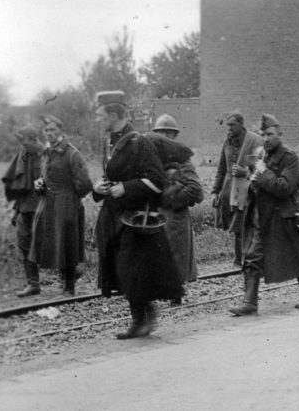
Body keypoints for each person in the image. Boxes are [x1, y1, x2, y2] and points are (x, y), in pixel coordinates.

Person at [93, 100, 183, 339]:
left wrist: (126, 188)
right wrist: (99, 188)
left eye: (100, 114)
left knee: (130, 271)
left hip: (134, 221)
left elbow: (157, 181)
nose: (97, 118)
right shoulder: (110, 142)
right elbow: (112, 176)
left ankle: (142, 319)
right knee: (122, 271)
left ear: (114, 114)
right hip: (114, 217)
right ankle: (141, 318)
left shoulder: (139, 143)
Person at [228, 114, 299, 316]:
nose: (266, 138)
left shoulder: (290, 158)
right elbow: (257, 185)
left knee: (297, 254)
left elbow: (285, 188)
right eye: (263, 134)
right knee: (252, 258)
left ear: (280, 134)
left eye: (270, 134)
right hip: (265, 218)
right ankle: (250, 303)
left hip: (286, 216)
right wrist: (254, 181)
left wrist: (262, 173)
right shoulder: (263, 156)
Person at [28, 115, 93, 297]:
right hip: (47, 203)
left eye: (53, 130)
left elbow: (85, 184)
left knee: (67, 242)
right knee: (44, 240)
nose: (49, 133)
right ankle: (51, 282)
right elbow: (48, 176)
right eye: (46, 130)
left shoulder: (72, 154)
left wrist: (70, 198)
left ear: (61, 131)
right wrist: (40, 184)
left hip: (66, 205)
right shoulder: (47, 153)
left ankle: (69, 286)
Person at [149, 114, 204, 303]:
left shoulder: (182, 160)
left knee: (174, 259)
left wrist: (169, 198)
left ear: (174, 136)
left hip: (175, 218)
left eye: (168, 133)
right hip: (156, 216)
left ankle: (175, 296)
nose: (164, 137)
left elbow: (196, 190)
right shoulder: (151, 157)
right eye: (160, 133)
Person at [211, 111, 264, 269]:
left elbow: (262, 168)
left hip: (250, 189)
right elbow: (221, 168)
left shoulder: (253, 141)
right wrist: (215, 191)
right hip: (230, 189)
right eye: (228, 125)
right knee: (235, 224)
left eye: (232, 125)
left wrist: (245, 172)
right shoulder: (227, 143)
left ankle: (245, 258)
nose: (229, 129)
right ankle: (239, 257)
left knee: (246, 222)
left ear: (241, 125)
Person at [1, 125, 43, 297]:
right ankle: (33, 284)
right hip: (25, 208)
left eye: (24, 142)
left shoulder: (47, 155)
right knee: (25, 245)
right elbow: (17, 184)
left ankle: (69, 279)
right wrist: (15, 211)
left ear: (34, 139)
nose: (22, 146)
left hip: (45, 207)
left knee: (53, 245)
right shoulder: (22, 155)